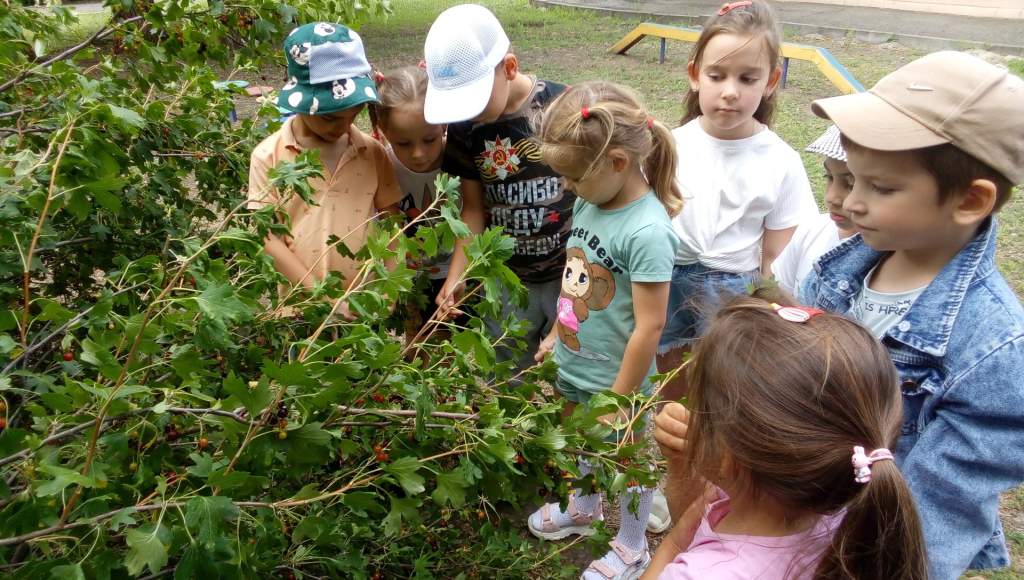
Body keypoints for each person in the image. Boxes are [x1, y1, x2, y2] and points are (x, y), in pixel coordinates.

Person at [799, 51, 1024, 578]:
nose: (851, 203)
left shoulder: (993, 351)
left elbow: (937, 512)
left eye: (881, 187)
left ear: (970, 200)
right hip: (803, 508)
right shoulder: (839, 271)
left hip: (871, 550)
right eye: (852, 179)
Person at [643, 295, 927, 580]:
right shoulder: (845, 500)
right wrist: (682, 463)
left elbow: (685, 540)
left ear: (730, 458)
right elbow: (702, 523)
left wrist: (674, 543)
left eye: (701, 408)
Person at [527, 81, 682, 580]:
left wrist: (620, 399)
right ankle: (584, 507)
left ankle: (633, 544)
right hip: (575, 359)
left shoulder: (647, 231)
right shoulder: (592, 201)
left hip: (620, 380)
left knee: (628, 464)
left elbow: (650, 326)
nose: (566, 187)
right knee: (578, 440)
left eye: (573, 176)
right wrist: (554, 334)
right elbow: (577, 280)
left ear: (617, 162)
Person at [658, 0, 817, 400]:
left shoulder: (781, 160)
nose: (730, 92)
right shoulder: (668, 147)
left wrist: (777, 312)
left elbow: (778, 259)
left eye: (748, 78)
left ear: (771, 81)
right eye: (717, 75)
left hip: (733, 294)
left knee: (725, 396)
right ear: (695, 74)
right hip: (669, 281)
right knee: (672, 394)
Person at [423, 3, 572, 371]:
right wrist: (458, 273)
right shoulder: (465, 128)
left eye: (472, 98)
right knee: (504, 373)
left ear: (509, 68)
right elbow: (472, 209)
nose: (467, 112)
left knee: (571, 370)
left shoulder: (564, 106)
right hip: (504, 280)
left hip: (568, 276)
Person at [248, 22, 402, 319]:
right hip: (300, 312)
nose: (343, 127)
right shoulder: (269, 156)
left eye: (353, 114)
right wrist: (319, 295)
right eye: (331, 118)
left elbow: (392, 226)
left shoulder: (372, 153)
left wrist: (388, 289)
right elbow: (267, 238)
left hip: (362, 309)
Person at [369, 65, 455, 334]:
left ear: (444, 121)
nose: (418, 154)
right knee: (419, 348)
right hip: (411, 277)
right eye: (403, 144)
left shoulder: (460, 157)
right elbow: (388, 223)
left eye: (430, 139)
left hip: (457, 274)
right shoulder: (384, 163)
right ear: (383, 129)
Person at [771, 125, 856, 296]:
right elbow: (778, 294)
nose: (831, 197)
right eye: (829, 177)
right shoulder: (811, 232)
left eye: (851, 184)